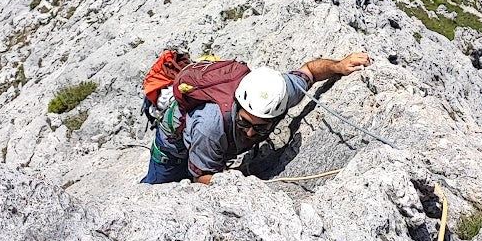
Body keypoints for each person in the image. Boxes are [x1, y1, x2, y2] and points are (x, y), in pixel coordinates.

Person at [141, 52, 371, 185]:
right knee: (155, 193)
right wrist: (234, 185)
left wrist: (339, 66)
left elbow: (310, 71)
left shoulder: (278, 93)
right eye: (245, 123)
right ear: (236, 105)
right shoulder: (210, 126)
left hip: (215, 143)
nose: (250, 133)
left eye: (261, 128)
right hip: (173, 151)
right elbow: (200, 176)